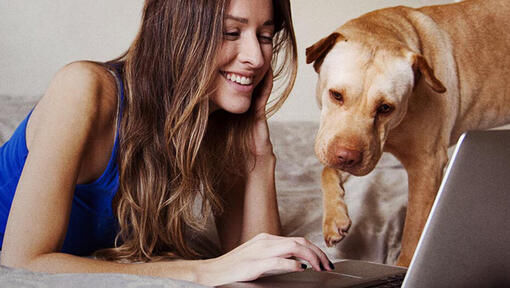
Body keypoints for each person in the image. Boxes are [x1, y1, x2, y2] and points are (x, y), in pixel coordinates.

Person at [0, 0, 335, 286]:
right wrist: (201, 272)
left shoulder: (215, 120)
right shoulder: (83, 89)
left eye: (264, 36)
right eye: (231, 32)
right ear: (177, 34)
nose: (257, 58)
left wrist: (260, 153)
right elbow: (23, 260)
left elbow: (261, 258)